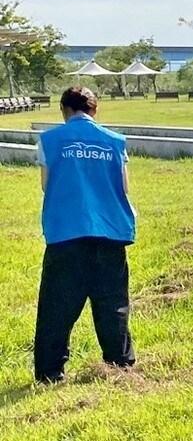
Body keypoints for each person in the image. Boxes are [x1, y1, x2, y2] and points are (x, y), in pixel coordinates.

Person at [33, 85, 137, 383]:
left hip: (66, 232)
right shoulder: (115, 142)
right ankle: (120, 365)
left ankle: (50, 373)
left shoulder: (50, 141)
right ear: (95, 110)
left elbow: (46, 184)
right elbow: (124, 187)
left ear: (64, 111)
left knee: (57, 306)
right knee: (112, 303)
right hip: (110, 231)